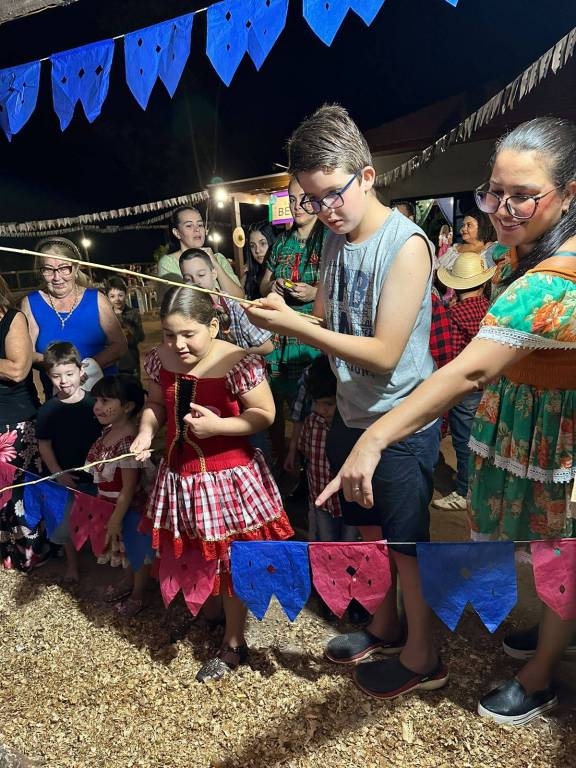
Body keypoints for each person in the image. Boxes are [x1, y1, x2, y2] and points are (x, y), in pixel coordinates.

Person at [316, 116, 576, 725]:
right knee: (549, 542)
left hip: (561, 430)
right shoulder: (522, 250)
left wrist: (375, 438)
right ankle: (556, 632)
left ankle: (541, 675)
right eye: (494, 192)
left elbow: (467, 371)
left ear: (569, 194)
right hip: (533, 415)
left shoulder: (551, 281)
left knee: (561, 546)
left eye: (522, 196)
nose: (502, 210)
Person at [246, 104, 443, 699]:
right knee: (369, 532)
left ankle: (424, 655)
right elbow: (327, 319)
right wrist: (283, 316)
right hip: (352, 412)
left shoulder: (406, 245)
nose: (324, 209)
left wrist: (298, 328)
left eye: (333, 193)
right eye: (312, 199)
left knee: (407, 545)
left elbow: (383, 353)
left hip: (401, 419)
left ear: (368, 176)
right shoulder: (337, 240)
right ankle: (384, 626)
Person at [130, 287, 293, 682]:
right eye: (169, 334)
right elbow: (156, 403)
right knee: (198, 551)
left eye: (189, 334)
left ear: (214, 326)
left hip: (228, 477)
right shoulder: (160, 358)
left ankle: (234, 642)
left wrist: (220, 426)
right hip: (180, 475)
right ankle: (212, 612)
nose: (178, 344)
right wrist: (146, 431)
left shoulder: (237, 362)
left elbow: (265, 414)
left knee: (230, 559)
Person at [259, 178, 326, 465]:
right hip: (280, 337)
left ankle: (311, 465)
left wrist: (314, 292)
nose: (297, 206)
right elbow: (263, 284)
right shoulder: (281, 243)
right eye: (291, 199)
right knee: (275, 402)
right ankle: (281, 459)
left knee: (314, 405)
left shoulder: (329, 237)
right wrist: (272, 287)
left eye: (304, 198)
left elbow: (340, 287)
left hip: (313, 333)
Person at [20, 237, 127, 397]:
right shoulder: (31, 303)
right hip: (59, 398)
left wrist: (88, 368)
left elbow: (120, 345)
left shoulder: (97, 299)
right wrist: (60, 370)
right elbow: (27, 353)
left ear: (76, 268)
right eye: (48, 270)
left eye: (64, 268)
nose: (57, 277)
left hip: (103, 396)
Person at [431, 253, 495, 512]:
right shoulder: (489, 309)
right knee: (482, 440)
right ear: (482, 283)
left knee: (463, 442)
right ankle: (479, 486)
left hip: (463, 387)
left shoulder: (452, 314)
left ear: (454, 285)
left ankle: (464, 491)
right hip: (487, 384)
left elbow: (447, 353)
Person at [86, 375, 154, 617]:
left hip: (130, 508)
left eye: (105, 401)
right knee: (123, 548)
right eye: (96, 400)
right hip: (110, 503)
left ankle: (138, 594)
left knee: (137, 550)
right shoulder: (108, 431)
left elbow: (129, 487)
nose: (97, 407)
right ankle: (127, 581)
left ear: (127, 406)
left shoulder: (128, 442)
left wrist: (116, 517)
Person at [36, 342, 102, 582]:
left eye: (69, 374)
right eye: (56, 376)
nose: (64, 381)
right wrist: (58, 474)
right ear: (48, 376)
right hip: (65, 479)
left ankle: (102, 559)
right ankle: (72, 565)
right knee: (65, 524)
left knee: (100, 518)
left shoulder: (95, 405)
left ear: (81, 371)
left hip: (95, 476)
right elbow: (44, 445)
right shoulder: (47, 411)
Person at [0, 276, 47, 571]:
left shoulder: (13, 319)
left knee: (19, 492)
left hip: (13, 422)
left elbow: (17, 369)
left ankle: (30, 552)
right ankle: (5, 551)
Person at [297, 356, 356, 543]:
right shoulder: (312, 423)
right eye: (318, 403)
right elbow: (305, 450)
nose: (322, 409)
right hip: (321, 498)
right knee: (326, 542)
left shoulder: (353, 428)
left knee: (349, 544)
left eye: (329, 404)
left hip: (350, 500)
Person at [179, 249, 273, 357]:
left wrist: (233, 354)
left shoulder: (236, 308)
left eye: (201, 275)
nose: (196, 282)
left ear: (214, 273)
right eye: (188, 279)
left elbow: (267, 347)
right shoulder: (188, 313)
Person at [157, 207, 244, 299]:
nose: (197, 229)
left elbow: (239, 298)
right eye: (189, 226)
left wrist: (215, 264)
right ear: (177, 233)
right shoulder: (169, 262)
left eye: (200, 224)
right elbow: (178, 301)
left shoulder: (218, 258)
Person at [106, 276, 145, 379]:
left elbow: (140, 337)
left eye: (120, 295)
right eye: (112, 296)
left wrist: (123, 322)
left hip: (130, 363)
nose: (117, 299)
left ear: (126, 295)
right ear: (107, 297)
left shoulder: (133, 313)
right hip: (112, 364)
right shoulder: (105, 315)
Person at [243, 222, 277, 300]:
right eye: (252, 246)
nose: (257, 250)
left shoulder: (282, 272)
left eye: (262, 243)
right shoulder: (251, 274)